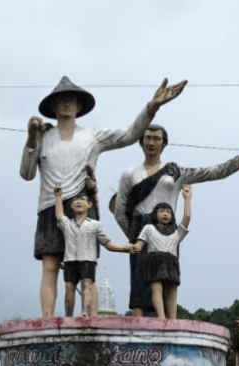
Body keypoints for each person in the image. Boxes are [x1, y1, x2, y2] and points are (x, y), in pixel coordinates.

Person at [20, 76, 187, 317]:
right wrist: (31, 139)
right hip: (49, 205)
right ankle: (47, 319)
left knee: (86, 272)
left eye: (71, 100)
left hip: (81, 205)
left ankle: (89, 318)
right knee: (50, 266)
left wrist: (153, 106)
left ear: (79, 106)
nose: (66, 104)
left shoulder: (92, 136)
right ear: (53, 106)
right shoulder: (42, 137)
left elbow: (130, 135)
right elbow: (26, 174)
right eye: (61, 100)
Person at [115, 125, 239, 317]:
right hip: (141, 231)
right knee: (139, 286)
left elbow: (215, 172)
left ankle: (170, 325)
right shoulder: (129, 174)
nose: (151, 142)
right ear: (141, 142)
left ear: (164, 144)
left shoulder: (175, 173)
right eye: (148, 137)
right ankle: (138, 326)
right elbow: (119, 211)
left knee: (168, 282)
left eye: (156, 139)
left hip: (167, 233)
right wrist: (136, 237)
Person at [53, 183, 138, 317]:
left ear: (89, 205)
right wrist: (58, 197)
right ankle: (68, 315)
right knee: (69, 288)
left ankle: (85, 312)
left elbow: (108, 244)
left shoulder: (95, 225)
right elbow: (59, 215)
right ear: (71, 206)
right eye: (76, 200)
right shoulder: (67, 224)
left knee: (87, 286)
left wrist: (124, 248)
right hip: (70, 260)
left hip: (88, 260)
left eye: (83, 199)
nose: (79, 202)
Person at [131, 187, 192, 320]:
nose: (165, 214)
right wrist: (136, 247)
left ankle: (172, 318)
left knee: (172, 291)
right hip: (154, 261)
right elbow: (140, 242)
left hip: (171, 261)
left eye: (168, 212)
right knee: (156, 288)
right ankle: (161, 317)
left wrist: (187, 199)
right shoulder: (149, 228)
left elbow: (187, 218)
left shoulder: (176, 234)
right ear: (155, 214)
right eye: (162, 211)